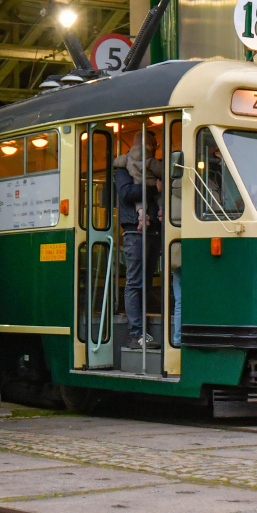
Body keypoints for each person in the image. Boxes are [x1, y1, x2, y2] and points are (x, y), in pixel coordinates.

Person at [114, 130, 162, 349]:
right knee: (135, 282)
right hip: (134, 231)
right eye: (150, 144)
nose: (151, 149)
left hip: (151, 231)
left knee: (144, 282)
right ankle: (136, 334)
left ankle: (141, 332)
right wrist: (153, 186)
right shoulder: (122, 169)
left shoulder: (150, 166)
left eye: (152, 145)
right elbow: (126, 194)